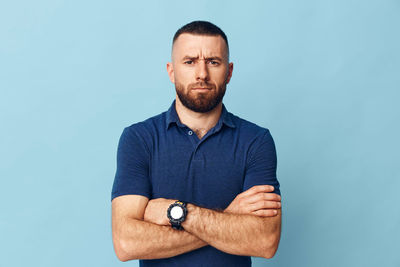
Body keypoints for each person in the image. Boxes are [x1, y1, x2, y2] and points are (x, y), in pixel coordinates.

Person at [111, 21, 282, 267]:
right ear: (171, 71)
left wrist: (175, 212)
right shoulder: (139, 139)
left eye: (213, 61)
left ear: (229, 71)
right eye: (190, 62)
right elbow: (126, 243)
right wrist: (229, 217)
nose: (202, 73)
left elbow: (265, 241)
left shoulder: (256, 141)